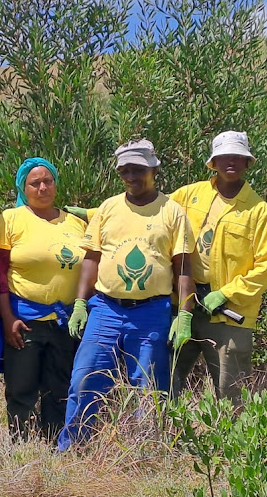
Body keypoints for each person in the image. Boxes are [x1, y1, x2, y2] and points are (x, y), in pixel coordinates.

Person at [58, 139, 195, 451]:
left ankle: (146, 452)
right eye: (124, 171)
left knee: (149, 387)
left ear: (154, 170)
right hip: (105, 309)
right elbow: (91, 259)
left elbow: (184, 267)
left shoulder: (173, 212)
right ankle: (73, 450)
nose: (131, 176)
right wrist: (81, 302)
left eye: (138, 170)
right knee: (85, 380)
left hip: (151, 312)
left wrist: (185, 313)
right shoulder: (107, 208)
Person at [171, 131, 267, 406]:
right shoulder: (188, 195)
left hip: (229, 314)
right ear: (213, 161)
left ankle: (232, 448)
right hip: (184, 304)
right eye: (224, 156)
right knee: (167, 381)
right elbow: (150, 211)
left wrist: (226, 293)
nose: (231, 161)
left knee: (231, 393)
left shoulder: (258, 210)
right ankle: (165, 443)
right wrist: (97, 215)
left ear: (247, 163)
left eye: (238, 157)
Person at [0, 157, 86, 440]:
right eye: (35, 183)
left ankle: (54, 442)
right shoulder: (10, 219)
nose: (43, 187)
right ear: (24, 187)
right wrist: (7, 317)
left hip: (65, 322)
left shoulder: (75, 223)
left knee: (59, 386)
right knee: (21, 387)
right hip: (25, 320)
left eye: (48, 181)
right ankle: (21, 443)